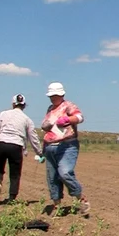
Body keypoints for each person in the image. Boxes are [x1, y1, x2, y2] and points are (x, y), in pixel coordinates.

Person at [0, 94, 43, 203]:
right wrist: (39, 152)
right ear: (24, 105)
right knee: (15, 173)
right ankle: (12, 197)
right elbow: (33, 138)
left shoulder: (3, 114)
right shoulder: (27, 119)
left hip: (0, 144)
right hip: (15, 146)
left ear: (13, 104)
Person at [40, 82, 90, 214]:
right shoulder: (50, 109)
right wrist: (43, 149)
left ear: (62, 94)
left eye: (55, 95)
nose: (52, 98)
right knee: (52, 178)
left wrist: (68, 119)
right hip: (50, 146)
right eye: (51, 96)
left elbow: (80, 117)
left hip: (67, 145)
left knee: (65, 173)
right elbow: (47, 129)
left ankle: (81, 198)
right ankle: (57, 205)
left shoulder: (68, 106)